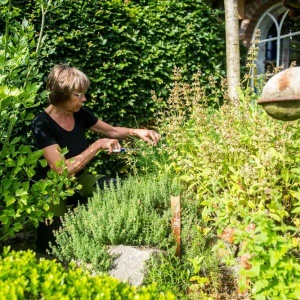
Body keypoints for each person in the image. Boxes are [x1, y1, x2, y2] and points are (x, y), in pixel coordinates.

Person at [31, 63, 160, 252]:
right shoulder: (41, 124)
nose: (84, 99)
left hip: (80, 179)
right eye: (78, 94)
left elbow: (112, 130)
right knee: (50, 245)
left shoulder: (78, 113)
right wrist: (97, 145)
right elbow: (61, 170)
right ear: (61, 92)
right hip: (51, 187)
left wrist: (136, 131)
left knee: (118, 188)